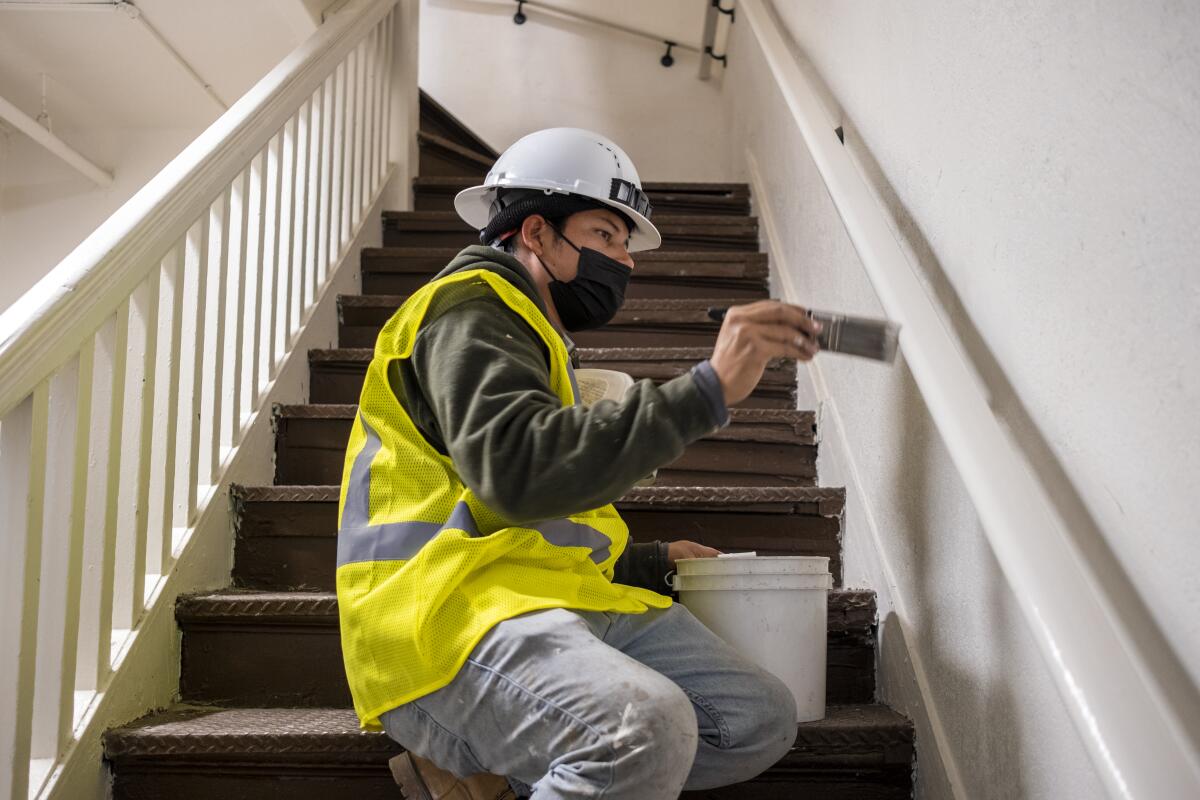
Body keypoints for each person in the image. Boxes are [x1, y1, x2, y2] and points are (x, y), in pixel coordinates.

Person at [335, 127, 822, 800]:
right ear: (536, 233)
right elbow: (516, 476)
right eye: (605, 236)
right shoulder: (468, 311)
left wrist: (646, 562)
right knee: (644, 727)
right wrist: (705, 389)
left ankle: (489, 772)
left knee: (756, 721)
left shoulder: (537, 337)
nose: (625, 261)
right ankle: (506, 755)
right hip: (447, 619)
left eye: (625, 244)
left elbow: (536, 517)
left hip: (544, 596)